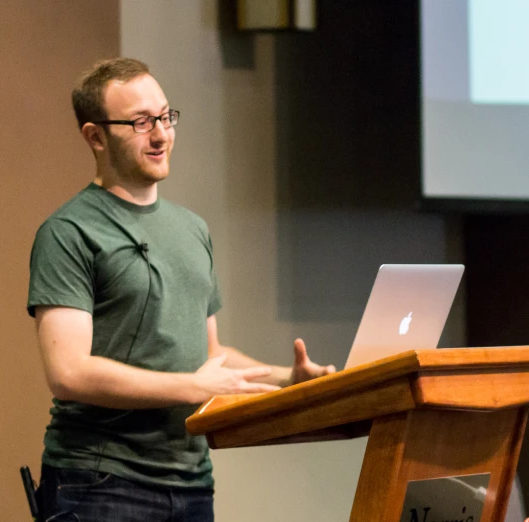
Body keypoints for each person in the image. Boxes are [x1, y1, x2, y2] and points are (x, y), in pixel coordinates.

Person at [27, 57, 335, 522]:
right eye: (140, 122)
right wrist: (191, 386)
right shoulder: (68, 232)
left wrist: (286, 382)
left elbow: (209, 355)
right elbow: (68, 372)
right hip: (100, 482)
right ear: (95, 137)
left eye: (166, 116)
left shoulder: (192, 229)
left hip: (190, 483)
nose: (161, 135)